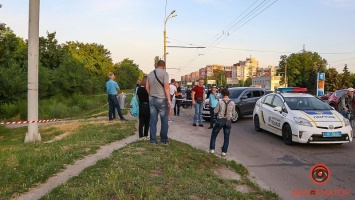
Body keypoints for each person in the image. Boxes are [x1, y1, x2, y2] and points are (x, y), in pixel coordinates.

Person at [146, 60, 171, 145]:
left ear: (157, 65)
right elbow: (166, 87)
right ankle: (163, 140)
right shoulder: (165, 73)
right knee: (164, 120)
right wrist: (169, 100)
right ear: (164, 66)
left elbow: (147, 87)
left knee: (153, 120)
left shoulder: (150, 73)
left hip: (152, 99)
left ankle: (153, 140)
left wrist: (151, 94)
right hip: (162, 99)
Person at [209, 88, 235, 157]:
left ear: (222, 94)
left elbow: (215, 111)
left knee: (214, 134)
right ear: (228, 94)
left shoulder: (220, 102)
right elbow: (233, 113)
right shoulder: (232, 102)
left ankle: (212, 149)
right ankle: (224, 152)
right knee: (226, 137)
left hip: (220, 119)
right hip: (228, 120)